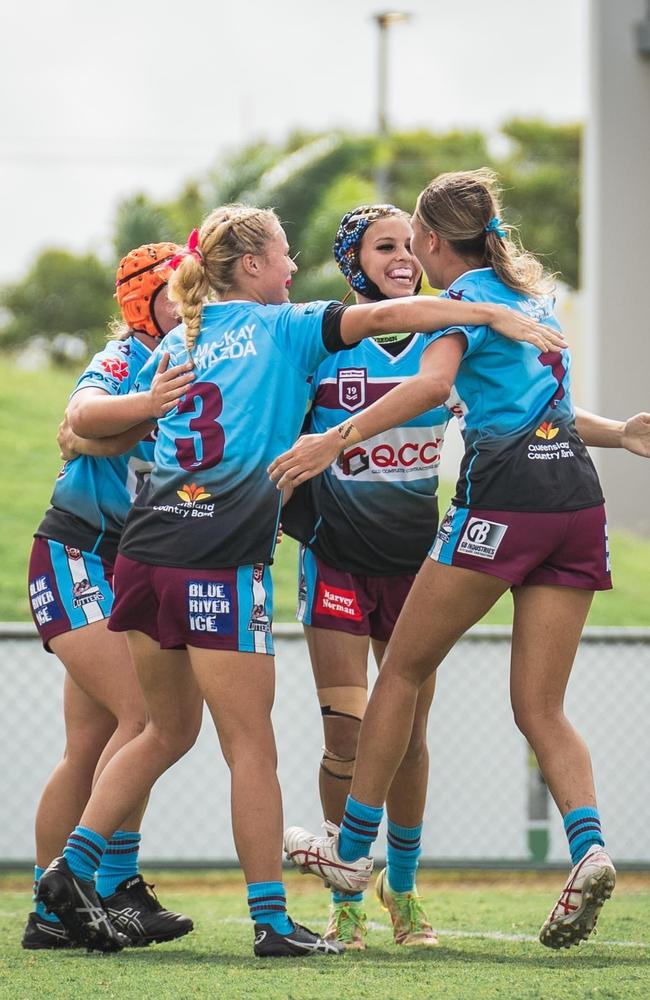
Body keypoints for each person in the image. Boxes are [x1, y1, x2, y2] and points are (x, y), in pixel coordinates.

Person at [35, 204, 559, 958]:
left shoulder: (181, 336)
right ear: (251, 265)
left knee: (163, 731)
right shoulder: (285, 326)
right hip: (217, 555)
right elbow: (398, 312)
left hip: (144, 552)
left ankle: (69, 868)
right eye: (284, 254)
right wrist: (490, 312)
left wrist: (141, 410)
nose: (291, 266)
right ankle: (273, 922)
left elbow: (88, 424)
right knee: (252, 748)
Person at [270, 169, 650, 950]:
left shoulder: (465, 309)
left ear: (435, 244)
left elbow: (432, 385)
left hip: (505, 502)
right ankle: (589, 850)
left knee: (402, 674)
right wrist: (622, 433)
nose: (410, 254)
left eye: (413, 240)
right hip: (577, 502)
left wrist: (334, 438)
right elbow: (532, 405)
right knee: (540, 707)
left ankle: (350, 855)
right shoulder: (531, 301)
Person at [284, 203, 454, 950]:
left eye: (412, 246)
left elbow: (524, 408)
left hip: (419, 566)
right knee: (347, 733)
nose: (405, 257)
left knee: (410, 735)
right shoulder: (320, 345)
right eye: (386, 246)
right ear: (355, 261)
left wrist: (613, 433)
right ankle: (345, 898)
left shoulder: (445, 340)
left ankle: (405, 891)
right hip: (337, 559)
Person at [25, 243, 199, 951]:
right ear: (138, 302)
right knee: (146, 717)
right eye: (175, 291)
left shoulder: (200, 351)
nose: (190, 302)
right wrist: (146, 406)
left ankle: (87, 895)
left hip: (131, 562)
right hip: (76, 554)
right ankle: (86, 892)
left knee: (94, 743)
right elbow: (83, 413)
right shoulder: (128, 355)